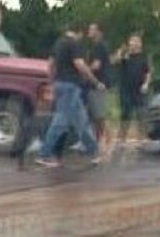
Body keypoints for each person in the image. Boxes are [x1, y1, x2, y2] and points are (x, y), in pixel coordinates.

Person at [36, 23, 104, 168]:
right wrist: (94, 80)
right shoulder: (74, 44)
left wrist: (51, 81)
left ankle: (94, 152)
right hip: (71, 86)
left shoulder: (59, 43)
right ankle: (45, 154)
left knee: (81, 121)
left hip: (59, 84)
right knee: (60, 122)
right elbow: (79, 64)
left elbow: (50, 64)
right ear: (79, 32)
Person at [115, 34, 152, 145]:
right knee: (125, 113)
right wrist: (120, 53)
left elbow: (148, 72)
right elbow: (115, 61)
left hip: (139, 89)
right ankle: (121, 138)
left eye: (136, 41)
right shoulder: (125, 56)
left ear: (140, 44)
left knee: (141, 113)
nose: (133, 43)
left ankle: (142, 138)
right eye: (131, 41)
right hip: (126, 89)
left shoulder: (144, 57)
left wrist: (146, 84)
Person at [87, 23, 112, 154]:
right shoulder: (101, 46)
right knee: (97, 116)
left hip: (99, 83)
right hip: (99, 83)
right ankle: (98, 141)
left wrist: (84, 71)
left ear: (99, 32)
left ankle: (108, 143)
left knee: (100, 115)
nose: (89, 31)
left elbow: (96, 65)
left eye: (92, 29)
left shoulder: (98, 46)